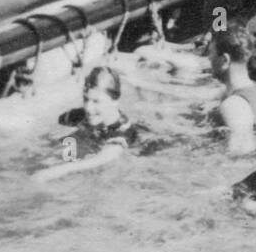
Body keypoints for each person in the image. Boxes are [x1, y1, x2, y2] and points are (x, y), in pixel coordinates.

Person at [32, 66, 160, 181]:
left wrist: (54, 171)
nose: (88, 108)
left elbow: (100, 160)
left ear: (115, 101)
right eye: (86, 99)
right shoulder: (79, 115)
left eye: (96, 101)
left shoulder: (121, 131)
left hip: (146, 150)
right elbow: (50, 135)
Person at [209, 22, 256, 156]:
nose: (208, 59)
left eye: (211, 54)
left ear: (224, 60)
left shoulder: (233, 105)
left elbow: (241, 154)